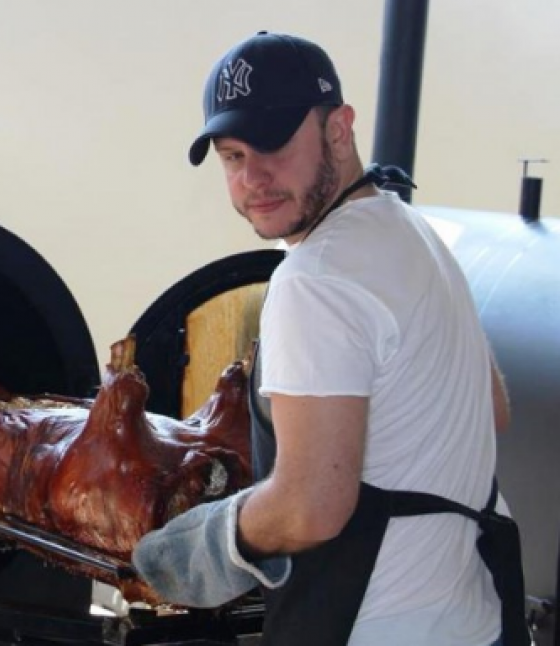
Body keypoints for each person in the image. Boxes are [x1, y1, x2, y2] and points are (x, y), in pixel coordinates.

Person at [131, 31, 526, 646]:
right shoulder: (410, 229)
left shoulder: (315, 278)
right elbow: (490, 410)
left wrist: (212, 539)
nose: (254, 177)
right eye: (233, 157)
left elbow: (313, 505)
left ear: (339, 128)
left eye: (273, 145)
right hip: (472, 618)